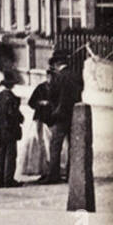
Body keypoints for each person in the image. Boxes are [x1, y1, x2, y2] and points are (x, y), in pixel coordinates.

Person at [42, 52, 84, 185]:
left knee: (55, 146)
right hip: (75, 114)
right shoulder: (77, 76)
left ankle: (53, 175)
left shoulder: (57, 77)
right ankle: (72, 173)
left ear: (56, 64)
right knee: (73, 145)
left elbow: (52, 96)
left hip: (60, 116)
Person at [0, 72, 24, 187]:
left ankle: (0, 180)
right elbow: (12, 113)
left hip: (0, 129)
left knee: (1, 153)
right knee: (11, 154)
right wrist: (20, 118)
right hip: (10, 128)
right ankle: (8, 179)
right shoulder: (13, 98)